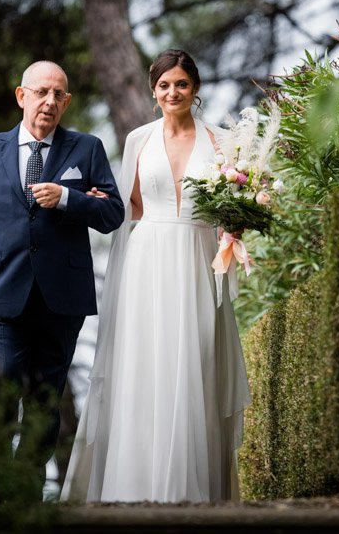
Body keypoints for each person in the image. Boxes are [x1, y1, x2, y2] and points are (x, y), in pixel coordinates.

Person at [61, 49, 251, 503]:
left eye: (181, 84)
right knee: (145, 365)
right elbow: (131, 209)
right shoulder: (137, 140)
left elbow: (233, 206)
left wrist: (240, 220)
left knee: (197, 362)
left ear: (196, 89)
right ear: (153, 91)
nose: (173, 93)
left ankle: (194, 489)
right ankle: (135, 486)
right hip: (147, 259)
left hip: (200, 258)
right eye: (164, 85)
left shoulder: (223, 142)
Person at [0, 60, 124, 496]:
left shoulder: (87, 148)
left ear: (66, 102)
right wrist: (2, 251)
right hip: (5, 290)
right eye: (41, 92)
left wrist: (68, 198)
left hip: (63, 296)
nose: (50, 102)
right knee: (3, 384)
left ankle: (24, 491)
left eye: (58, 94)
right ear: (21, 96)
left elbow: (112, 213)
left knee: (47, 397)